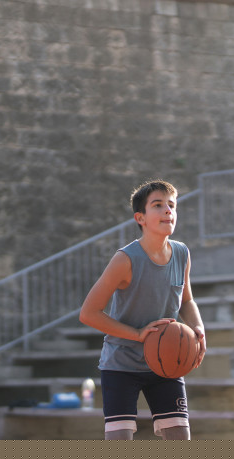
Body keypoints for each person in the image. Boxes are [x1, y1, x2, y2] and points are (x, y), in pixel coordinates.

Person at [79, 179, 206, 440]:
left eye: (171, 205)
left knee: (181, 438)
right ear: (141, 218)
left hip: (165, 362)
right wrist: (138, 334)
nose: (167, 210)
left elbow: (186, 301)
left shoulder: (182, 253)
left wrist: (198, 328)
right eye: (158, 205)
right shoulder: (125, 259)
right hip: (121, 363)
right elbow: (88, 313)